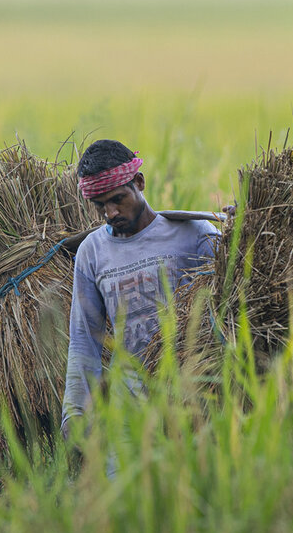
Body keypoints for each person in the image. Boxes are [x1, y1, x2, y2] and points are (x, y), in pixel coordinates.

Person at [61, 139, 220, 439]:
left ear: (139, 182)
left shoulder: (194, 234)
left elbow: (232, 309)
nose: (110, 213)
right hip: (130, 412)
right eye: (100, 206)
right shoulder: (91, 252)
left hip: (196, 399)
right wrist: (75, 412)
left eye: (118, 199)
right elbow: (85, 339)